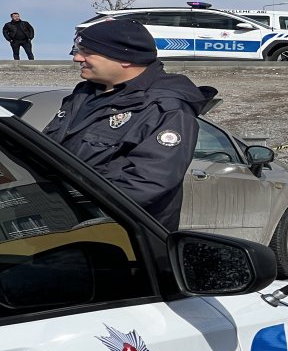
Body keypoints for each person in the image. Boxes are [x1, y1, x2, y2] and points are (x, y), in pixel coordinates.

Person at [43, 20, 216, 230]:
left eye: (87, 52)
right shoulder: (84, 94)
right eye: (78, 50)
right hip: (61, 226)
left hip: (119, 236)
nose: (77, 58)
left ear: (124, 59)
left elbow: (147, 184)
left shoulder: (166, 107)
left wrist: (66, 205)